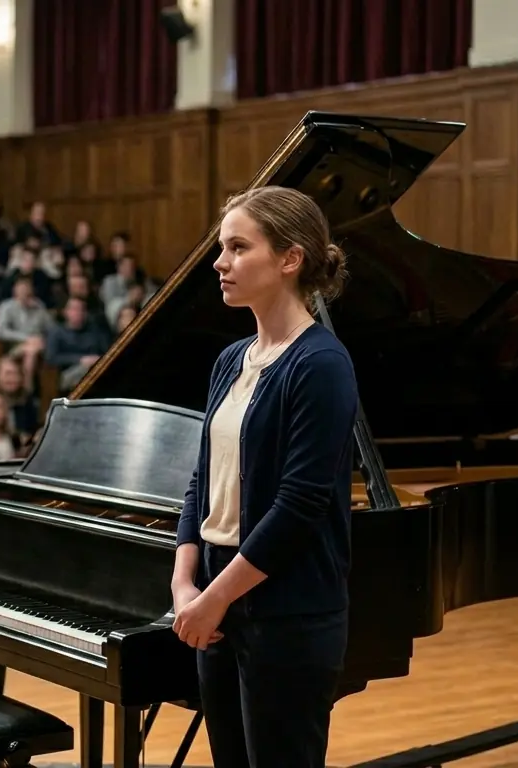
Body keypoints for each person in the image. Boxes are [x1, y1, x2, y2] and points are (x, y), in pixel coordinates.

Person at [170, 186, 358, 768]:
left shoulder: (321, 363)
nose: (219, 262)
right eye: (221, 247)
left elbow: (299, 506)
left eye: (237, 247)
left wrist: (213, 599)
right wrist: (185, 585)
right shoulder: (231, 359)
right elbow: (201, 482)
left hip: (286, 613)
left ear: (289, 259)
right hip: (218, 600)